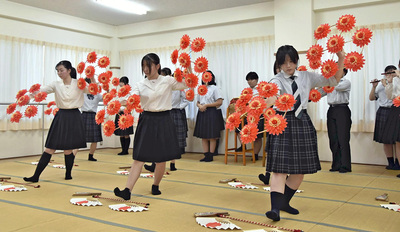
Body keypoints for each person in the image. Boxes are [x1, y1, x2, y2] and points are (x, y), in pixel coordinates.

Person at [264, 45, 345, 221]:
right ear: (278, 64)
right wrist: (268, 102)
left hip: (302, 121)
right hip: (282, 122)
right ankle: (275, 209)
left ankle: (284, 202)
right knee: (279, 170)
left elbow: (334, 80)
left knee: (299, 171)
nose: (288, 66)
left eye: (291, 61)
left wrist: (341, 59)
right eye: (284, 63)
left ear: (296, 61)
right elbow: (273, 93)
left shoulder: (307, 76)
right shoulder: (276, 79)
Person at [114, 53, 187, 200]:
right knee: (139, 157)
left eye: (149, 66)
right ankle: (127, 190)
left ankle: (156, 185)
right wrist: (116, 103)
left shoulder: (168, 80)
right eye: (143, 66)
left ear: (158, 66)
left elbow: (186, 84)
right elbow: (131, 99)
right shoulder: (140, 84)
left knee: (161, 158)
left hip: (164, 119)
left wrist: (188, 66)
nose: (145, 69)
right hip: (146, 119)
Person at [23, 60, 89, 182]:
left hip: (74, 116)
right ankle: (35, 176)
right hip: (61, 116)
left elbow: (93, 90)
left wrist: (93, 77)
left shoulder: (79, 83)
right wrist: (28, 97)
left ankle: (68, 174)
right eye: (57, 71)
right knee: (49, 148)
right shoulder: (56, 84)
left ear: (69, 70)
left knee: (68, 149)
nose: (59, 73)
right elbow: (41, 91)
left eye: (61, 70)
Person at [144, 67, 189, 172]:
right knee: (159, 139)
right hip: (164, 112)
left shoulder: (176, 86)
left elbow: (187, 99)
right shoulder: (159, 86)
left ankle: (172, 164)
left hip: (174, 112)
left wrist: (179, 107)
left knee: (173, 139)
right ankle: (155, 164)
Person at [319, 68, 352, 173]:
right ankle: (336, 164)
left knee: (343, 139)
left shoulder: (345, 82)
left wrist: (325, 81)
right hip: (331, 110)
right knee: (333, 139)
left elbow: (335, 87)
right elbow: (321, 93)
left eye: (339, 71)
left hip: (342, 110)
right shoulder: (329, 83)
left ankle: (345, 166)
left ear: (344, 72)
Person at [369, 65, 398, 170]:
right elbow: (372, 98)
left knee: (397, 139)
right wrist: (374, 86)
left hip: (395, 110)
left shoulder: (398, 82)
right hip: (383, 111)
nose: (390, 74)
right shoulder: (381, 84)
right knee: (386, 139)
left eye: (392, 72)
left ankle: (398, 162)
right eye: (388, 72)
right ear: (385, 73)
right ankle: (390, 162)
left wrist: (388, 84)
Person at [193, 70, 225, 162]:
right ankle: (206, 155)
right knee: (204, 136)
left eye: (207, 76)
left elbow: (219, 102)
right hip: (202, 112)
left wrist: (206, 105)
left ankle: (211, 155)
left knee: (212, 136)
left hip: (212, 112)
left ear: (211, 78)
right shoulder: (201, 88)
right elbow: (198, 102)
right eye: (204, 76)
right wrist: (200, 106)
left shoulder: (215, 88)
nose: (205, 78)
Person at [258, 61, 281, 185]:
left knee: (282, 150)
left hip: (284, 119)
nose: (279, 70)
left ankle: (285, 175)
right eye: (277, 67)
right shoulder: (273, 83)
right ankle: (267, 174)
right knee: (271, 149)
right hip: (273, 119)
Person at [235, 72, 263, 161]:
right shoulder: (246, 91)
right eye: (248, 80)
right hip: (247, 115)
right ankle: (243, 145)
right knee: (238, 128)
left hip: (258, 116)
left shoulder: (261, 90)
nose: (249, 82)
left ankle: (255, 154)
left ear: (257, 80)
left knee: (258, 136)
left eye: (251, 79)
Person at [79, 78, 103, 161]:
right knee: (79, 137)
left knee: (95, 139)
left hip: (94, 116)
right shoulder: (81, 92)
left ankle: (91, 155)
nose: (89, 85)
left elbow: (106, 98)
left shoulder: (97, 93)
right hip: (84, 115)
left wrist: (108, 90)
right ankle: (72, 156)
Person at [382, 63, 400, 178]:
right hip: (397, 108)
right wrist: (389, 82)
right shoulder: (396, 79)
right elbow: (390, 96)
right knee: (398, 141)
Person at [114, 76, 134, 155]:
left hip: (126, 114)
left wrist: (122, 104)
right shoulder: (119, 93)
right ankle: (123, 150)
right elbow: (118, 102)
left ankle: (126, 150)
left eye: (121, 84)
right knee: (120, 133)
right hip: (119, 113)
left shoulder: (130, 93)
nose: (120, 86)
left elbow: (128, 103)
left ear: (125, 84)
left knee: (126, 133)